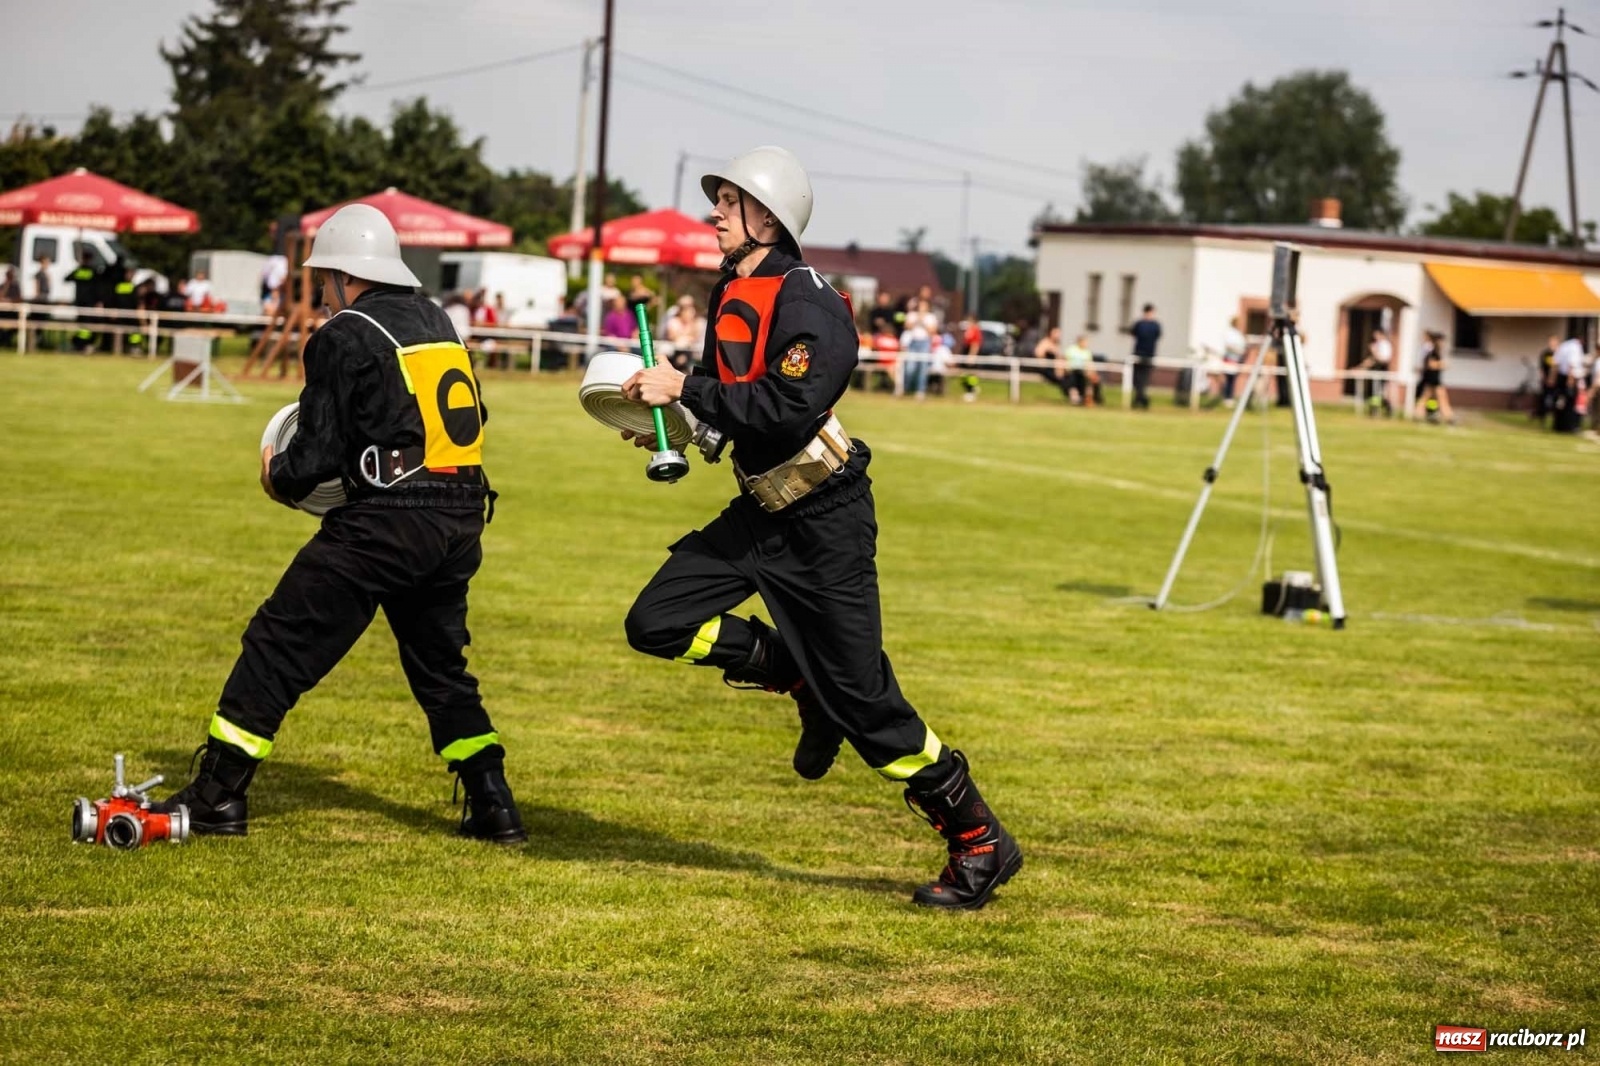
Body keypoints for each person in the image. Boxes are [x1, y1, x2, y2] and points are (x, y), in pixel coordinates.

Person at [617, 146, 1022, 910]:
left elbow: (786, 405)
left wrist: (686, 385)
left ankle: (977, 838)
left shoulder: (809, 302)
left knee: (867, 704)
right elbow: (735, 411)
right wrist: (675, 423)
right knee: (656, 621)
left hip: (825, 522)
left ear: (767, 217)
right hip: (760, 511)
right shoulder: (731, 291)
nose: (714, 214)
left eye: (729, 203)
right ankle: (792, 672)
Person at [150, 203, 525, 844]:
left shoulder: (342, 334)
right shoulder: (437, 320)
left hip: (389, 522)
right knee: (440, 667)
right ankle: (493, 804)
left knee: (277, 643)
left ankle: (216, 796)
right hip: (461, 515)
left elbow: (315, 454)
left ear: (347, 275)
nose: (322, 293)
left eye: (324, 279)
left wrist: (278, 474)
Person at [899, 298, 935, 399]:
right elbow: (907, 327)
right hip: (913, 343)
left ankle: (920, 391)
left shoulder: (930, 317)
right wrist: (917, 320)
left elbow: (932, 331)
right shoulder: (912, 315)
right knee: (909, 367)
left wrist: (923, 322)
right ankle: (906, 388)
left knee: (923, 368)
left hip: (924, 343)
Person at [66, 250, 100, 352]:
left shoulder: (79, 271)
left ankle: (80, 344)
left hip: (80, 302)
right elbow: (97, 286)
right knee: (87, 325)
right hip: (89, 302)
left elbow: (67, 278)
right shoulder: (92, 271)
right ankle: (84, 344)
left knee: (81, 324)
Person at [1129, 303, 1160, 410]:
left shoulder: (1155, 325)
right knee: (1136, 379)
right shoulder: (1140, 324)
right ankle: (1142, 399)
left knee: (1144, 379)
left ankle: (1140, 399)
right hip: (1138, 354)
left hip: (1149, 355)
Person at [1358, 328, 1394, 417]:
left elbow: (1383, 359)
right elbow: (1372, 360)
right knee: (1374, 391)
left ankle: (1384, 408)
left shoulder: (1385, 345)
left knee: (1378, 391)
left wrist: (1374, 351)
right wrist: (1361, 366)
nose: (1375, 337)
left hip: (1381, 369)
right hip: (1375, 369)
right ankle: (1374, 409)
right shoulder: (1377, 344)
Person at [664, 295, 705, 371]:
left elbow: (695, 337)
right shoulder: (674, 321)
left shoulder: (696, 322)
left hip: (690, 351)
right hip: (674, 351)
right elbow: (672, 336)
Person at [1217, 315, 1247, 407]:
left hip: (1237, 359)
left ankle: (1230, 397)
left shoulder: (1239, 334)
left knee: (1233, 379)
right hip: (1230, 358)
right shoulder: (1229, 333)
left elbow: (1243, 345)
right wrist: (1238, 350)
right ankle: (1227, 397)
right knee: (1229, 379)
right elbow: (1229, 345)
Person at [1064, 333, 1100, 406]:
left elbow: (1090, 363)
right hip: (1072, 371)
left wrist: (1092, 372)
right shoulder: (1071, 350)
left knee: (1092, 381)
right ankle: (1075, 398)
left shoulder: (1087, 352)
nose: (1086, 343)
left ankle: (1090, 399)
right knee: (1073, 379)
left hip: (1083, 372)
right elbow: (1065, 361)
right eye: (1085, 342)